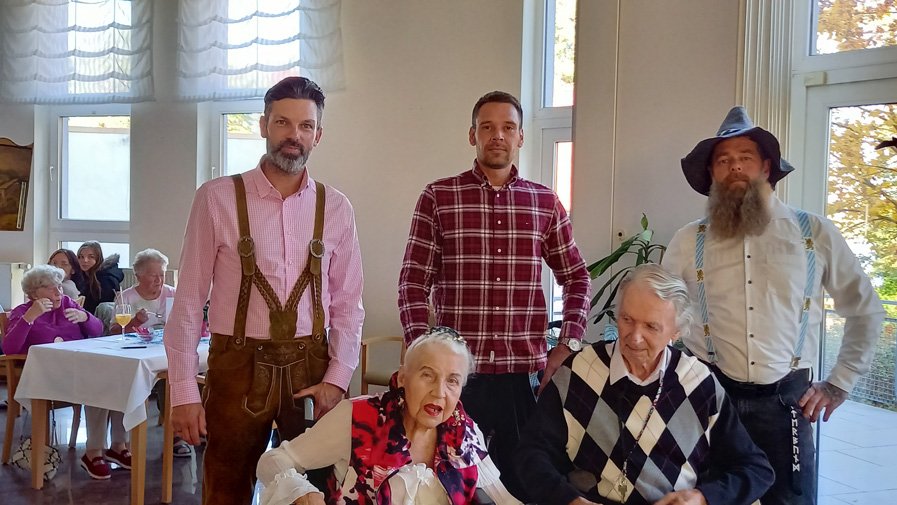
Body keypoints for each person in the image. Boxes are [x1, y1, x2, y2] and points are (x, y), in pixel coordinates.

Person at [662, 106, 886, 505]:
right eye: (723, 160)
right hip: (711, 398)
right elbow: (661, 312)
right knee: (708, 497)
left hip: (789, 404)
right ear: (711, 173)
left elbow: (865, 309)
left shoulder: (814, 232)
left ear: (766, 167)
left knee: (790, 499)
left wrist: (839, 383)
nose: (734, 167)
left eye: (745, 157)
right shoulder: (687, 240)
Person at [165, 76, 365, 505]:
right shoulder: (216, 198)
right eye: (282, 122)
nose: (295, 135)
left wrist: (337, 379)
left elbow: (349, 305)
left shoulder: (336, 206)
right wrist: (182, 392)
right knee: (225, 488)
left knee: (316, 491)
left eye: (306, 126)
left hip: (311, 370)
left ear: (318, 134)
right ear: (263, 126)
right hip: (236, 367)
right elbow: (188, 303)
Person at [398, 90, 591, 500]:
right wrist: (421, 353)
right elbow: (413, 282)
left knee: (524, 483)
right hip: (456, 378)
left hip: (524, 378)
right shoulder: (439, 197)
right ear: (473, 135)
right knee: (450, 485)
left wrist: (568, 344)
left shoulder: (544, 202)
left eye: (507, 127)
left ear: (521, 136)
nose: (497, 135)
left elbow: (576, 277)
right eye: (487, 127)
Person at [516, 264, 774, 505]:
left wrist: (702, 498)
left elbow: (756, 468)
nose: (635, 338)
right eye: (627, 319)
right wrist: (568, 500)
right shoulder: (579, 372)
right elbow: (531, 453)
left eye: (651, 326)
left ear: (676, 331)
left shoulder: (698, 383)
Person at [256, 327, 521, 505]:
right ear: (403, 377)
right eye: (427, 375)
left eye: (452, 380)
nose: (439, 392)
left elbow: (505, 500)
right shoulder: (357, 418)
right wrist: (303, 494)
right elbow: (273, 461)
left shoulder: (465, 435)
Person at [1, 265, 131, 480]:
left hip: (79, 369)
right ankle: (93, 452)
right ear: (34, 293)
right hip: (45, 378)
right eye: (50, 288)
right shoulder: (23, 312)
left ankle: (118, 445)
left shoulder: (68, 304)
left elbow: (98, 330)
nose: (58, 292)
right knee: (99, 383)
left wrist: (85, 318)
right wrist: (29, 318)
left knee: (119, 378)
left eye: (59, 287)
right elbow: (9, 348)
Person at [110, 248, 176, 333]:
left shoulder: (173, 294)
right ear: (138, 277)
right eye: (153, 275)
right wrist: (135, 321)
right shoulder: (125, 298)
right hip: (134, 341)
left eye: (162, 275)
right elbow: (114, 331)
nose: (159, 280)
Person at [77, 241, 124, 314]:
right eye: (81, 257)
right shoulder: (82, 275)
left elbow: (103, 310)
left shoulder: (105, 280)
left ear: (98, 258)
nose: (85, 260)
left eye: (91, 257)